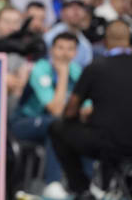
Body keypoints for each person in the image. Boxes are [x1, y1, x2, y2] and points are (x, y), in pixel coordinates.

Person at [49, 20, 132, 199]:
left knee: (57, 128)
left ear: (105, 41)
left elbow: (70, 110)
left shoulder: (96, 67)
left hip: (105, 142)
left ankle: (82, 189)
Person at [10, 32, 81, 200]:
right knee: (56, 125)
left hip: (55, 126)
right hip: (23, 123)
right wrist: (63, 74)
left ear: (76, 53)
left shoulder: (77, 71)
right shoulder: (40, 69)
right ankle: (53, 184)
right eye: (60, 48)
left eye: (70, 49)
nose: (65, 53)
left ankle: (85, 186)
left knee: (78, 129)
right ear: (52, 50)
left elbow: (86, 107)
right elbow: (55, 110)